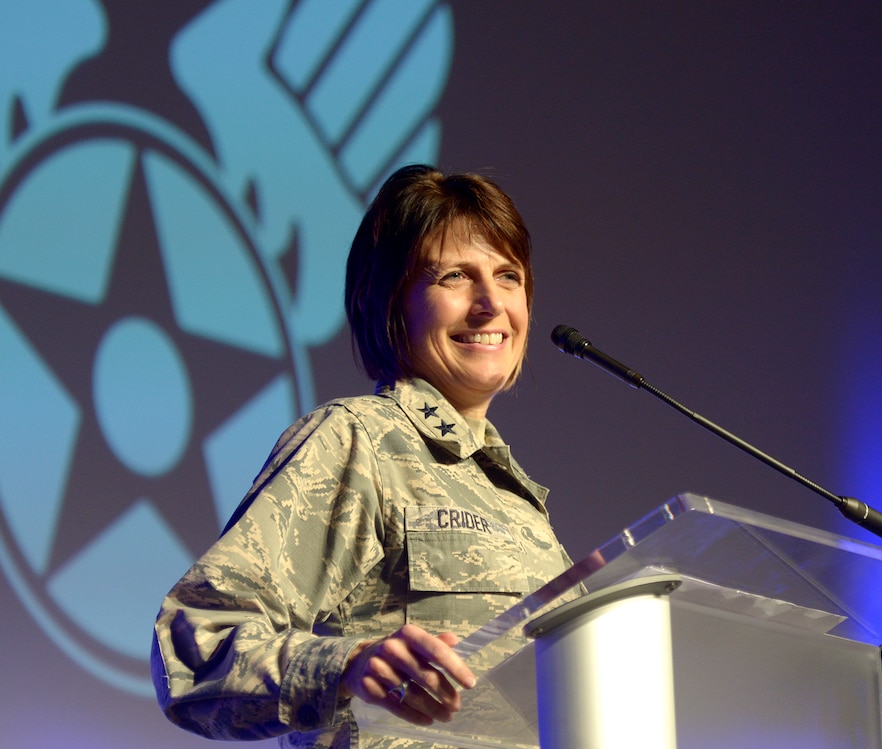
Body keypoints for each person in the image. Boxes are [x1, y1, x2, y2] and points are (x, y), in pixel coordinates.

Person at [151, 164, 573, 749]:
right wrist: (347, 665)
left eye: (508, 276)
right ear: (391, 302)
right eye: (454, 275)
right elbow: (196, 647)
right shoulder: (358, 441)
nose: (490, 304)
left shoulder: (520, 504)